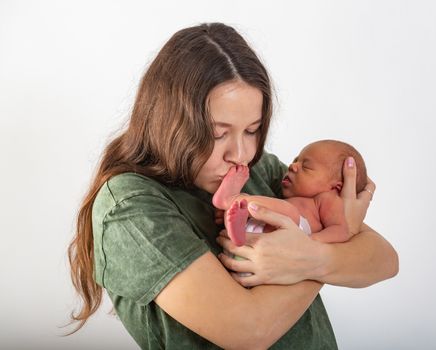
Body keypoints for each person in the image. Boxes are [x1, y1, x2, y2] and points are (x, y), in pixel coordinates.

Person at [67, 23, 398, 349]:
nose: (241, 153)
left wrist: (311, 257)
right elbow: (249, 332)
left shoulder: (259, 170)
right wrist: (329, 248)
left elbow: (384, 260)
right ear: (170, 125)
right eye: (218, 134)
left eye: (252, 130)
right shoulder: (131, 205)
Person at [212, 139, 368, 247]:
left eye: (306, 167)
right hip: (249, 244)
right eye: (295, 160)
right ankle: (237, 226)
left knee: (289, 211)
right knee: (270, 211)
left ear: (336, 188)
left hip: (295, 237)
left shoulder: (328, 199)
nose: (293, 166)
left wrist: (312, 241)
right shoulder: (296, 198)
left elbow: (341, 230)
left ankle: (232, 200)